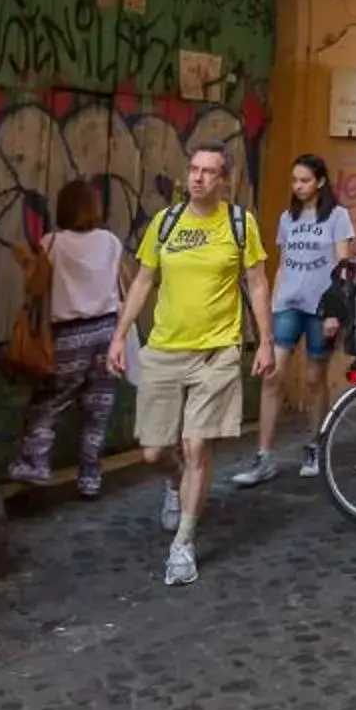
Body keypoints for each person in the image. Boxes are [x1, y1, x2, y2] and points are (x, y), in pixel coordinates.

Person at [108, 144, 275, 586]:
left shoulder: (240, 225)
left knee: (198, 445)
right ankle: (176, 481)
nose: (199, 178)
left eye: (209, 172)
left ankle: (183, 543)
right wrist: (120, 335)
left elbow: (257, 284)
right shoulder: (165, 224)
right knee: (154, 451)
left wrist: (265, 342)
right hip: (164, 348)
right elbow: (143, 281)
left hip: (217, 351)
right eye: (194, 169)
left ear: (224, 180)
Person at [235, 154, 356, 486]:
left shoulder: (337, 217)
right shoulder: (287, 218)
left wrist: (335, 310)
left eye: (304, 180)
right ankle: (264, 455)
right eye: (294, 181)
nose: (298, 186)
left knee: (315, 377)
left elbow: (342, 268)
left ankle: (315, 444)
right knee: (272, 374)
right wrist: (271, 308)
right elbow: (284, 264)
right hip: (287, 304)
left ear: (319, 181)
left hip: (321, 307)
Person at [4, 177, 128, 495]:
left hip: (68, 336)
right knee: (97, 409)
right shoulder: (111, 242)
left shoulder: (51, 243)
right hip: (107, 332)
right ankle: (90, 479)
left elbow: (36, 288)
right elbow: (123, 283)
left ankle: (36, 464)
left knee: (48, 403)